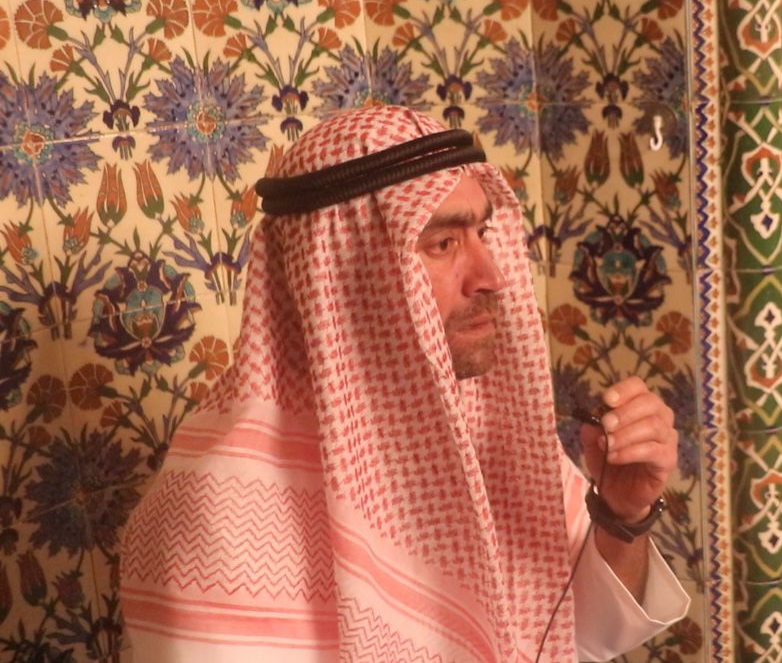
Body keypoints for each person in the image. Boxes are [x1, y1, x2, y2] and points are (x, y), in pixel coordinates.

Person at [120, 106, 689, 661]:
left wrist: (622, 514)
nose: (491, 276)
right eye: (443, 244)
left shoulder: (474, 421)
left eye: (482, 232)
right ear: (343, 272)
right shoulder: (219, 514)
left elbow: (577, 633)